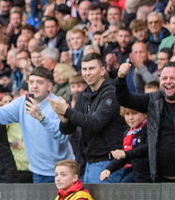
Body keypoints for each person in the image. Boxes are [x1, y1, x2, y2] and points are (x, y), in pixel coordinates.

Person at [0, 67, 74, 183]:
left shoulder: (58, 104)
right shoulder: (22, 102)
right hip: (37, 172)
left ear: (50, 86)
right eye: (31, 82)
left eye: (39, 82)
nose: (34, 86)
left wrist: (42, 119)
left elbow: (62, 137)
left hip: (62, 172)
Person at [49, 53, 127, 183]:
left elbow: (96, 123)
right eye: (84, 69)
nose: (87, 73)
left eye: (91, 68)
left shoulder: (111, 92)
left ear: (102, 70)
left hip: (108, 162)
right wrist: (64, 118)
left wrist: (67, 111)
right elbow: (69, 129)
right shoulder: (84, 95)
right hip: (89, 163)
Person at [99, 107, 148, 183]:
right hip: (133, 172)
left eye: (134, 114)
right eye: (127, 114)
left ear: (145, 114)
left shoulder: (148, 128)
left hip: (146, 175)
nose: (130, 118)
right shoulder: (128, 132)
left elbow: (147, 149)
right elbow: (124, 156)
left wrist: (125, 153)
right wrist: (109, 169)